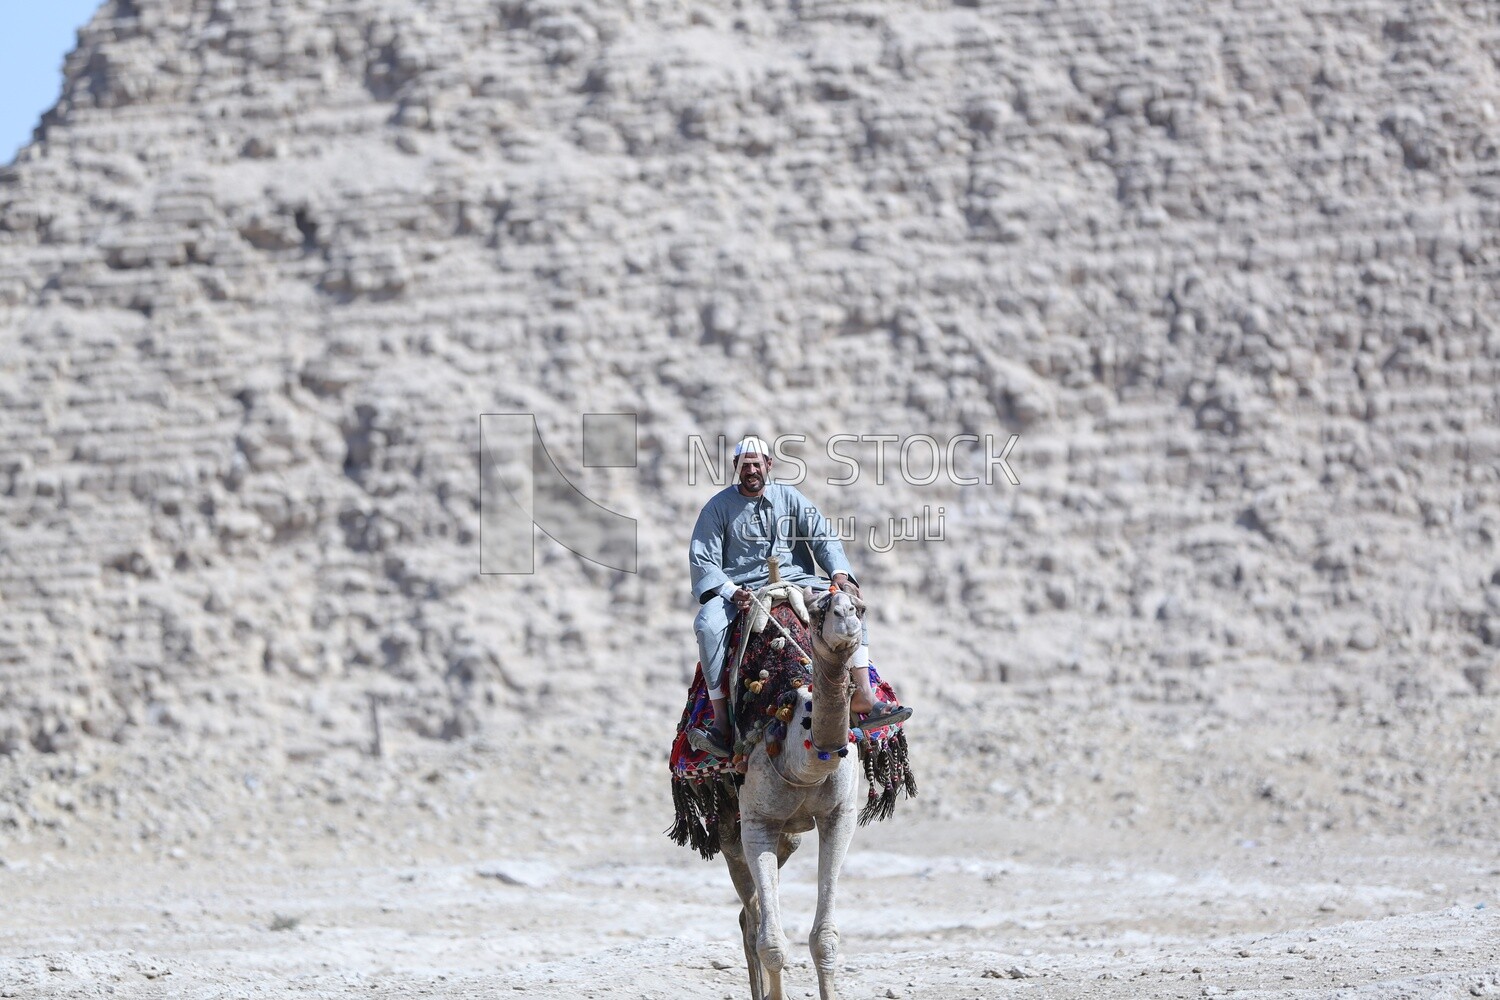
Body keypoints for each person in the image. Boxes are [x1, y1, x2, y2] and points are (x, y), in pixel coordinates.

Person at [686, 435, 912, 757]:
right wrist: (731, 592)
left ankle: (864, 695)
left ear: (768, 465)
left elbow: (822, 535)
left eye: (757, 463)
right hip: (742, 590)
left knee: (848, 606)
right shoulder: (717, 509)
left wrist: (839, 576)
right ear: (736, 467)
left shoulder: (790, 497)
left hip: (798, 582)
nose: (751, 470)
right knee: (708, 625)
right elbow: (704, 560)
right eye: (745, 464)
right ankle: (721, 722)